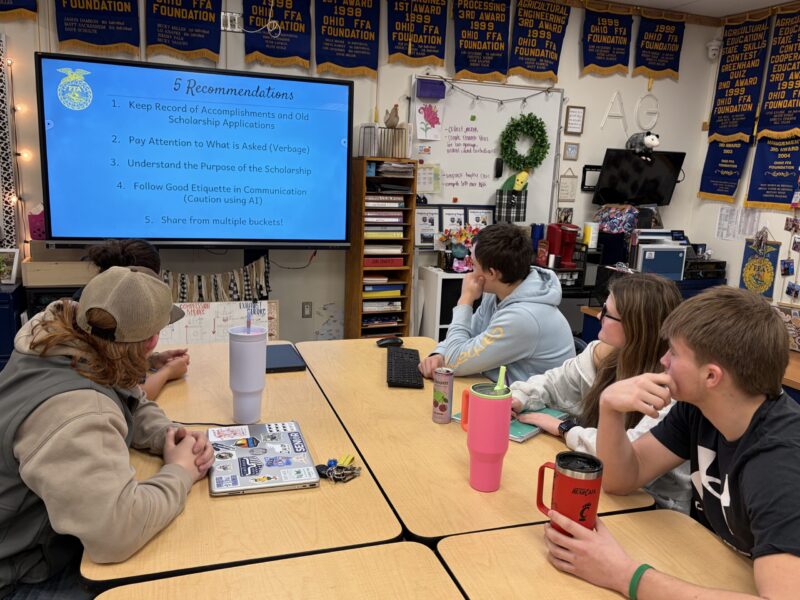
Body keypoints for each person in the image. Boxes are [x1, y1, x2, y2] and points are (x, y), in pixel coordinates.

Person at [543, 286, 800, 600]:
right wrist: (610, 408)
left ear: (711, 376)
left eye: (674, 353)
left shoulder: (780, 462)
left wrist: (624, 575)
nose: (663, 360)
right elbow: (622, 478)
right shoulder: (698, 410)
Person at [0, 266, 214, 598]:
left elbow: (130, 395)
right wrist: (180, 472)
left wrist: (166, 435)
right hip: (19, 571)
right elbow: (116, 534)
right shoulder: (77, 412)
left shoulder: (71, 341)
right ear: (152, 340)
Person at [509, 273, 690, 512]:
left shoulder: (672, 392)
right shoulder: (603, 355)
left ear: (636, 327)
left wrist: (565, 429)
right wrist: (518, 398)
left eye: (607, 313)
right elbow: (553, 383)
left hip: (654, 508)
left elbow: (627, 459)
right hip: (603, 491)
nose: (598, 316)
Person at [418, 223, 574, 384]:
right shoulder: (502, 291)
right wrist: (439, 354)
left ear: (491, 273)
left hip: (540, 406)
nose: (470, 271)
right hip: (505, 391)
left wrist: (465, 300)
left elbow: (455, 361)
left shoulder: (523, 318)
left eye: (474, 265)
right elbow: (468, 334)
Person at [77, 238, 190, 400]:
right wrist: (168, 372)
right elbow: (129, 398)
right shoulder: (91, 328)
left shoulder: (84, 308)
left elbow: (114, 358)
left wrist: (150, 360)